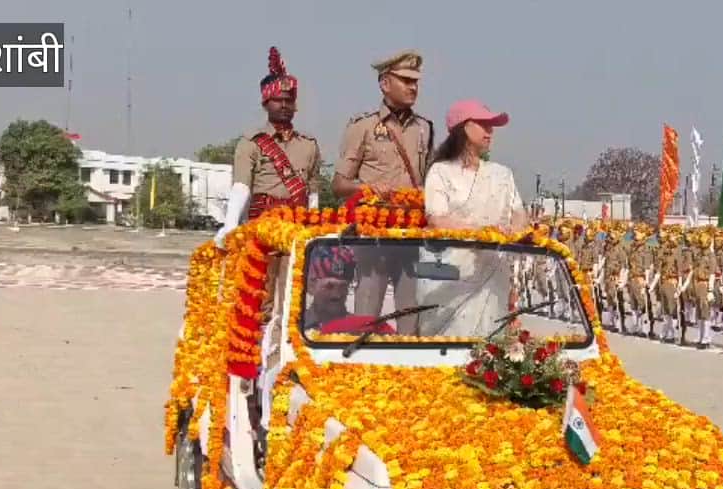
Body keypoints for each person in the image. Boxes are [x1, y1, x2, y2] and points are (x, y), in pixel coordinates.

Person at [334, 50, 434, 333]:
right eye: (405, 80)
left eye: (416, 81)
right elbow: (339, 184)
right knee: (365, 319)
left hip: (410, 236)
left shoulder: (425, 129)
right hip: (373, 238)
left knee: (411, 320)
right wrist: (367, 189)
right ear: (384, 83)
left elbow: (429, 181)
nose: (413, 87)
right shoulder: (363, 127)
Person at [214, 47, 321, 248]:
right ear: (265, 104)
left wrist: (314, 227)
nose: (283, 105)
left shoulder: (309, 144)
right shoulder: (251, 142)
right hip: (261, 226)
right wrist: (230, 225)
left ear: (295, 105)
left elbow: (313, 193)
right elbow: (241, 187)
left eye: (288, 100)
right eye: (277, 100)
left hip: (297, 229)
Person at [425, 99, 528, 233]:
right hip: (453, 253)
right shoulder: (441, 172)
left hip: (495, 253)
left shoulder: (502, 174)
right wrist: (483, 232)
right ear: (465, 127)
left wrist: (514, 231)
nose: (490, 131)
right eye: (484, 124)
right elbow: (437, 221)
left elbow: (519, 215)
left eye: (491, 126)